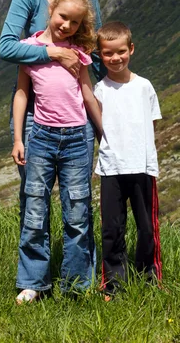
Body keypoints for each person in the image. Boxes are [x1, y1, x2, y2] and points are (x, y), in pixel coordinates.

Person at [0, 0, 105, 262]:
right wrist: (53, 53)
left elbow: (97, 54)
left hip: (76, 119)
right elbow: (6, 47)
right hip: (32, 117)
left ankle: (77, 277)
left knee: (77, 201)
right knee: (34, 201)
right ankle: (34, 277)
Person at [13, 0, 103, 303]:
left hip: (78, 138)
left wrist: (104, 134)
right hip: (40, 136)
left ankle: (76, 285)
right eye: (64, 17)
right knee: (35, 209)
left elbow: (88, 94)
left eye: (75, 23)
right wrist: (18, 138)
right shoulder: (28, 48)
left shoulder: (79, 53)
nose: (67, 25)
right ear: (52, 9)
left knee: (77, 211)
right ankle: (33, 283)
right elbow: (22, 94)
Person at [94, 22, 162, 298]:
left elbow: (152, 124)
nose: (115, 58)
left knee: (147, 228)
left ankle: (149, 279)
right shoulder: (99, 90)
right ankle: (113, 284)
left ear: (131, 49)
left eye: (121, 51)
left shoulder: (144, 87)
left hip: (143, 167)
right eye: (108, 53)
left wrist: (147, 155)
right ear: (100, 55)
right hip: (111, 168)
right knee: (112, 228)